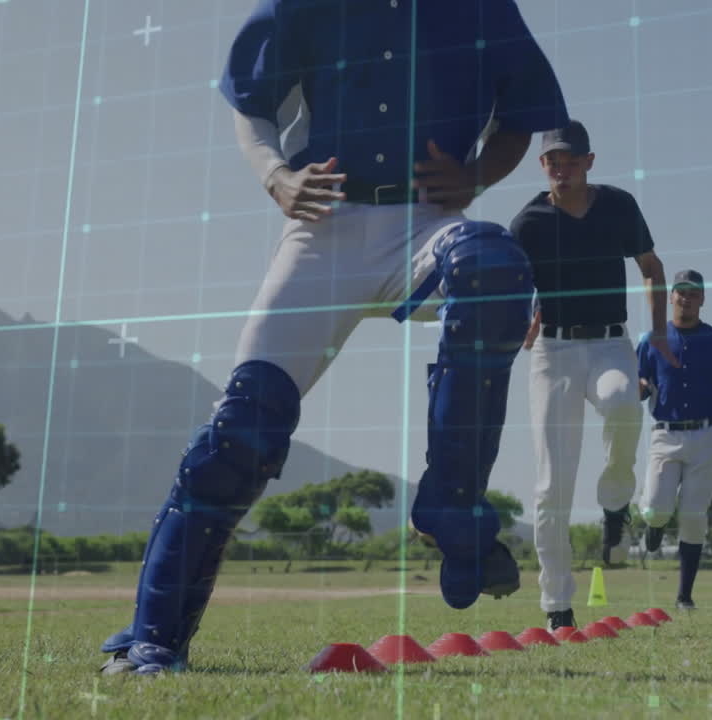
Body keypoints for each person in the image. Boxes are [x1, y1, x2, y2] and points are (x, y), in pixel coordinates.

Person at [96, 0, 570, 675]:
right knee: (240, 435)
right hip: (324, 225)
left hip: (426, 224)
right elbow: (251, 100)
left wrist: (476, 176)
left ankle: (450, 502)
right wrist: (275, 175)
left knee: (493, 265)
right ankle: (154, 639)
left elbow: (521, 111)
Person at [510, 120, 676, 631]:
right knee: (551, 487)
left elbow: (652, 267)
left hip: (610, 344)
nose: (561, 169)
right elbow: (511, 282)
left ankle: (614, 502)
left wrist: (659, 333)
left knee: (624, 401)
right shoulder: (529, 222)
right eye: (552, 161)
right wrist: (524, 317)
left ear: (589, 162)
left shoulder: (618, 206)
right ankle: (557, 606)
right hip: (553, 352)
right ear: (543, 164)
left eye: (570, 160)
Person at [637, 269, 712, 610]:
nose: (686, 298)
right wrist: (637, 389)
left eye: (693, 293)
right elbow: (641, 381)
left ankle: (684, 595)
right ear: (671, 296)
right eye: (681, 292)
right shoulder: (651, 340)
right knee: (655, 508)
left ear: (702, 299)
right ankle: (655, 525)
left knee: (694, 515)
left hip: (706, 434)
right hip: (665, 434)